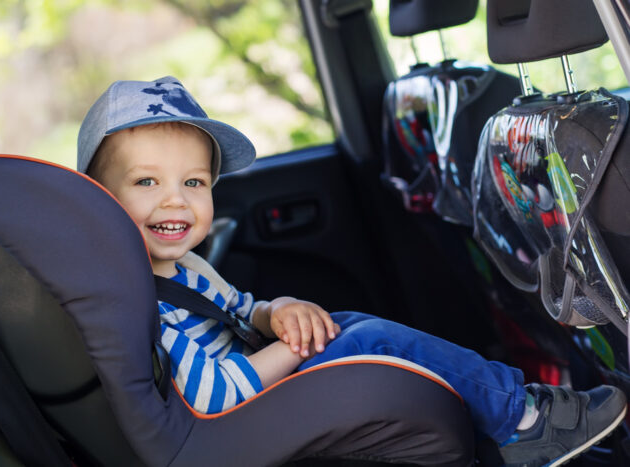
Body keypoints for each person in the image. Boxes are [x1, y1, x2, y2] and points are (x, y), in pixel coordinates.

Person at [77, 76, 627, 466]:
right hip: (232, 422)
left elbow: (244, 312)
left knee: (350, 324)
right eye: (147, 182)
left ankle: (515, 412)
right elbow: (211, 397)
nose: (176, 202)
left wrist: (280, 313)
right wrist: (296, 349)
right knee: (368, 337)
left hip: (256, 381)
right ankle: (523, 420)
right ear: (97, 198)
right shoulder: (137, 302)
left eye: (193, 183)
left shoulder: (185, 264)